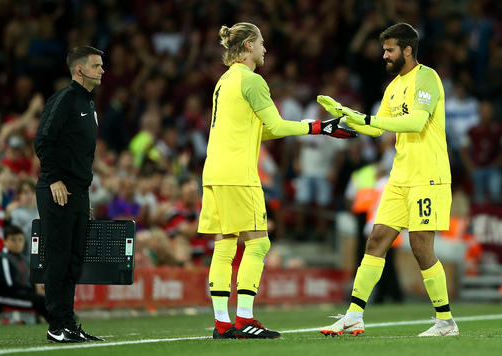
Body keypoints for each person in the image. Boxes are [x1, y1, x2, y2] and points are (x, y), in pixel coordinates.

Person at [197, 22, 357, 340]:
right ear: (247, 47)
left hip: (214, 172)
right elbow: (278, 126)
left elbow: (264, 130)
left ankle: (222, 323)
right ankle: (244, 319)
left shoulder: (224, 80)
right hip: (239, 174)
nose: (265, 49)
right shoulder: (253, 80)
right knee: (258, 243)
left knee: (225, 245)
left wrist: (316, 126)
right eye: (261, 43)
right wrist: (320, 128)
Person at [318, 23, 459, 337]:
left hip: (428, 177)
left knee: (421, 247)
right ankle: (354, 316)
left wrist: (368, 118)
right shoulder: (393, 86)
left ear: (407, 50)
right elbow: (377, 128)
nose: (384, 55)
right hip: (400, 177)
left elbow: (416, 121)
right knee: (376, 239)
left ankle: (445, 322)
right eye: (384, 49)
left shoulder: (427, 78)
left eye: (390, 49)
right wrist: (348, 115)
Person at [34, 46, 105, 343]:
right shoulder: (64, 99)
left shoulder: (89, 104)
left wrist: (82, 195)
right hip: (58, 191)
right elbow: (42, 140)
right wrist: (54, 180)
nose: (102, 70)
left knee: (74, 262)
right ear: (80, 70)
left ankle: (68, 324)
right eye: (97, 65)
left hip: (77, 193)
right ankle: (56, 325)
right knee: (58, 259)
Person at [0, 225, 48, 322]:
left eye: (20, 240)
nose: (17, 243)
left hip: (19, 294)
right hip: (3, 297)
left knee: (45, 298)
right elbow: (10, 285)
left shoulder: (22, 258)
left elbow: (26, 280)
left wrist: (37, 289)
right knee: (40, 301)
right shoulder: (3, 258)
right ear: (5, 241)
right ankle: (57, 327)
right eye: (13, 240)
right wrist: (33, 290)